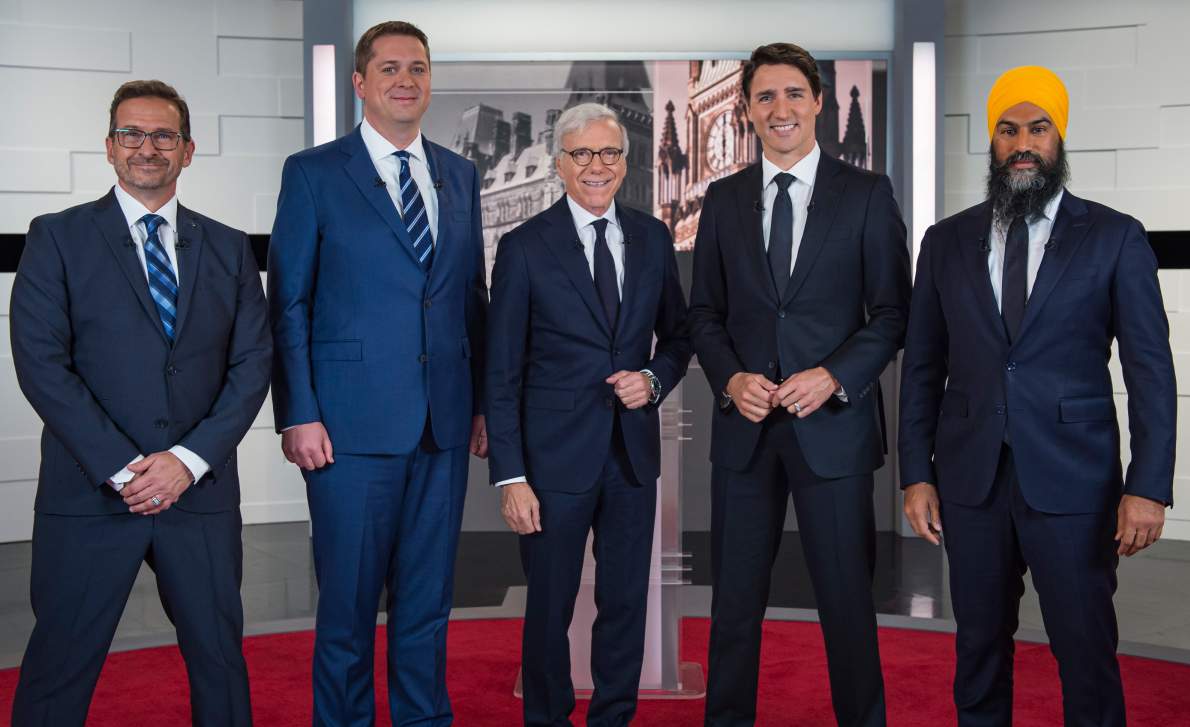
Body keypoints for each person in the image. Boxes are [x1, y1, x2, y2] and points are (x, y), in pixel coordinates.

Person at [899, 65, 1176, 727]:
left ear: (1060, 138)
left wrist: (1149, 485)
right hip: (971, 483)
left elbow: (1150, 370)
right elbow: (921, 368)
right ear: (992, 143)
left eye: (1038, 128)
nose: (1023, 142)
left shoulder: (1114, 237)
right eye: (1007, 129)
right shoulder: (945, 243)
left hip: (1075, 484)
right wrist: (916, 474)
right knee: (978, 648)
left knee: (1084, 649)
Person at [9, 79, 271, 727]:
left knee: (218, 660)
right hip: (91, 493)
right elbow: (43, 365)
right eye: (132, 133)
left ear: (187, 150)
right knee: (59, 664)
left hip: (199, 493)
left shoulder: (229, 247)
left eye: (163, 135)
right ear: (109, 146)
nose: (146, 147)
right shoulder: (56, 237)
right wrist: (126, 468)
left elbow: (252, 363)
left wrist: (186, 459)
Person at [268, 20, 487, 727]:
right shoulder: (312, 172)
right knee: (348, 610)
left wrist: (480, 403)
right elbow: (290, 301)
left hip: (443, 425)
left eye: (418, 68)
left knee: (427, 605)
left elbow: (469, 300)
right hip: (348, 430)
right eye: (389, 68)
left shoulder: (460, 174)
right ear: (359, 83)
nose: (405, 80)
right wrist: (297, 411)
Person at [688, 42, 910, 727]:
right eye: (764, 97)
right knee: (733, 610)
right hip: (745, 434)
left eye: (792, 94)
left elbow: (894, 312)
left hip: (834, 432)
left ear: (816, 100)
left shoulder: (867, 195)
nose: (779, 109)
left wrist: (834, 375)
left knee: (847, 606)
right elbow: (704, 313)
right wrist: (729, 379)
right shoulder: (721, 201)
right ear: (748, 110)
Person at [486, 102, 691, 727]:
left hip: (631, 456)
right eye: (582, 154)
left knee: (626, 601)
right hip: (550, 462)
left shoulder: (654, 237)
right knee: (548, 605)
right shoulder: (523, 247)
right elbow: (501, 372)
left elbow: (680, 338)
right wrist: (509, 475)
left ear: (625, 163)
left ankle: (613, 716)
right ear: (559, 164)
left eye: (608, 154)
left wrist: (653, 379)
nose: (596, 167)